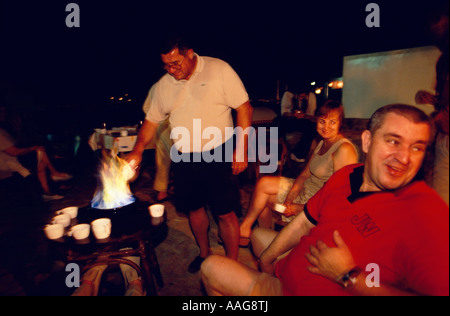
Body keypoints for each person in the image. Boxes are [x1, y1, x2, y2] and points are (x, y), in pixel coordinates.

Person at [201, 104, 449, 296]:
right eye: (393, 141)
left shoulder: (424, 212)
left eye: (417, 147)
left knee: (212, 266)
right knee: (247, 245)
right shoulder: (347, 175)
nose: (404, 158)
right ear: (367, 141)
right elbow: (306, 222)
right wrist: (266, 260)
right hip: (290, 272)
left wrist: (349, 276)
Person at [126, 35, 253, 273]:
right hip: (184, 156)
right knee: (194, 208)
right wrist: (138, 150)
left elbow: (244, 108)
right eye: (166, 65)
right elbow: (151, 121)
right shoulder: (163, 85)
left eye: (176, 63)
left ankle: (232, 265)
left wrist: (242, 149)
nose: (172, 70)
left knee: (225, 213)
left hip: (219, 152)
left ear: (190, 53)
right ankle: (204, 253)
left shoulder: (219, 69)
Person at [239, 100, 358, 245]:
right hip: (305, 191)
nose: (326, 127)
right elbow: (304, 175)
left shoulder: (344, 149)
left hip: (318, 203)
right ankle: (259, 235)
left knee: (263, 200)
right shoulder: (322, 142)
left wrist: (300, 208)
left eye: (332, 122)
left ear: (340, 123)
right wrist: (290, 199)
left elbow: (340, 195)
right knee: (263, 185)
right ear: (316, 121)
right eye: (322, 121)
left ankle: (258, 235)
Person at [0, 109, 72, 201]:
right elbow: (14, 152)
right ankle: (53, 176)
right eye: (1, 111)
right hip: (9, 166)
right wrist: (33, 148)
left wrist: (18, 129)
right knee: (40, 153)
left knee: (41, 155)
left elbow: (15, 145)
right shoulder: (1, 132)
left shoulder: (6, 130)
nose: (3, 113)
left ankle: (49, 186)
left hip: (13, 162)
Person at [142, 83, 173, 203]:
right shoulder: (177, 84)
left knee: (162, 161)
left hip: (160, 126)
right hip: (176, 126)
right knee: (184, 160)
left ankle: (162, 192)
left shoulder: (157, 85)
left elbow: (146, 108)